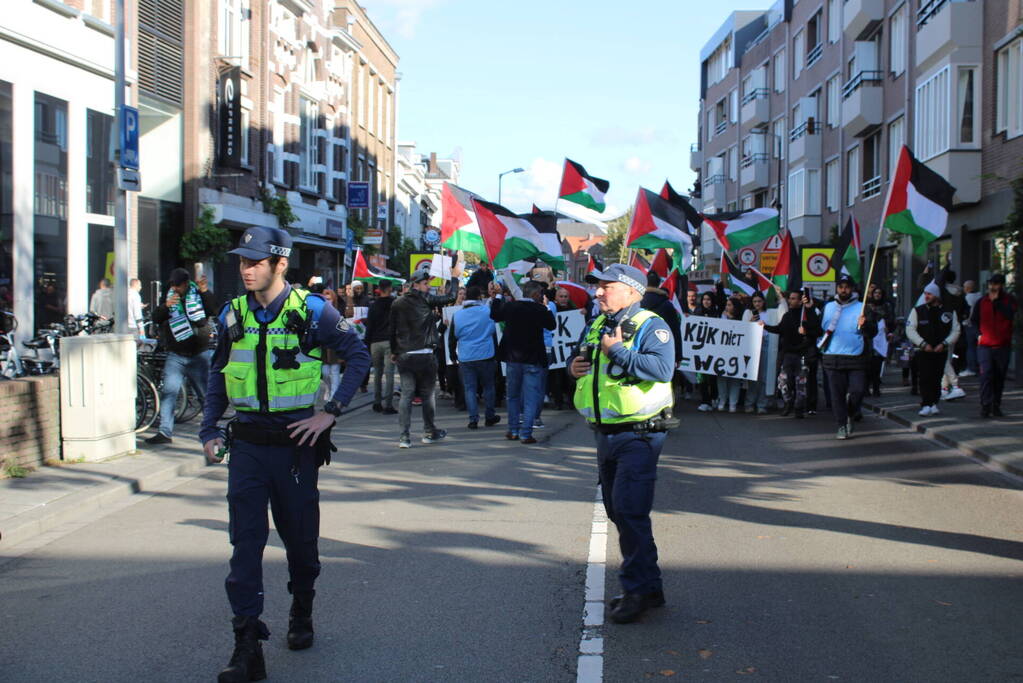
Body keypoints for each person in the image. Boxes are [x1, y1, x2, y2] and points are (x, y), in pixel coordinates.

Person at [199, 226, 370, 682]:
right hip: (249, 445)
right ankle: (246, 646)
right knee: (245, 546)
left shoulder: (313, 311)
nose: (246, 270)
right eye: (242, 261)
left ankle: (302, 609)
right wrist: (209, 427)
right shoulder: (231, 314)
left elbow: (359, 357)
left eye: (255, 262)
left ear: (280, 264)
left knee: (300, 541)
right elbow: (220, 373)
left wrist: (330, 412)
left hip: (297, 447)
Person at [569, 263, 675, 624]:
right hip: (605, 431)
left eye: (606, 286)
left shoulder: (651, 325)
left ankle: (636, 591)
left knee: (629, 510)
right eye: (597, 287)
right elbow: (580, 357)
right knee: (619, 511)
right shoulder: (598, 322)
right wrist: (574, 367)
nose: (598, 292)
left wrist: (617, 352)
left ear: (632, 291)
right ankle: (651, 585)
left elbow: (662, 369)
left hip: (640, 433)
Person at [389, 265, 460, 448]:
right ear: (417, 284)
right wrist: (454, 278)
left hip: (405, 354)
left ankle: (404, 437)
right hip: (425, 354)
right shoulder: (425, 299)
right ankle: (429, 431)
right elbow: (451, 297)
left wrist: (394, 351)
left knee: (407, 395)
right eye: (426, 283)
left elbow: (392, 330)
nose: (428, 286)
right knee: (428, 395)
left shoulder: (397, 302)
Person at [146, 268, 217, 445]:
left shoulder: (198, 294)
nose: (176, 288)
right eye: (173, 285)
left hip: (198, 354)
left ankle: (212, 429)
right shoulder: (170, 296)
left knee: (204, 395)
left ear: (185, 284)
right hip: (176, 354)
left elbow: (213, 310)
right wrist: (166, 306)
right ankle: (165, 432)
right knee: (169, 392)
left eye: (178, 285)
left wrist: (205, 292)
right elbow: (156, 317)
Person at [490, 280, 556, 444]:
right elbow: (552, 325)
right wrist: (546, 307)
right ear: (535, 294)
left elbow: (494, 315)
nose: (542, 296)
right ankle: (526, 433)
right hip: (532, 359)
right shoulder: (539, 309)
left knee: (512, 395)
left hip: (513, 359)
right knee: (531, 396)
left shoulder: (511, 307)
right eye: (540, 293)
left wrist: (498, 295)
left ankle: (513, 430)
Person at [820, 275, 877, 440]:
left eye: (847, 287)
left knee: (858, 391)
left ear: (852, 289)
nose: (843, 290)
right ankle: (841, 425)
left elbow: (872, 332)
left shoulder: (862, 307)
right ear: (837, 288)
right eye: (841, 287)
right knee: (837, 395)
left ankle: (851, 413)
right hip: (832, 357)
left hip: (856, 358)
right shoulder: (828, 307)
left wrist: (865, 323)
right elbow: (817, 329)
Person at [762, 289, 820, 418]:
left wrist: (806, 332)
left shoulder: (807, 315)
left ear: (800, 301)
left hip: (802, 354)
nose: (790, 301)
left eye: (794, 298)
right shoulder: (787, 316)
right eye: (790, 298)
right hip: (788, 355)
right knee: (783, 382)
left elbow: (817, 331)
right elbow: (779, 329)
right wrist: (765, 326)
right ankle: (788, 403)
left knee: (801, 383)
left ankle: (799, 408)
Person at [449, 285, 500, 429]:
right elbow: (493, 332)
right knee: (489, 387)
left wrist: (453, 354)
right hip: (486, 355)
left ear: (466, 297)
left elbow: (453, 337)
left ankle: (473, 419)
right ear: (479, 297)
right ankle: (490, 416)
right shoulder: (487, 311)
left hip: (466, 356)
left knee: (469, 389)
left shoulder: (457, 315)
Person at [906, 282, 960, 416]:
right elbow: (910, 329)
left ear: (936, 295)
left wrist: (944, 343)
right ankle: (925, 403)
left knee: (937, 377)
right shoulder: (918, 310)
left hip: (940, 350)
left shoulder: (949, 312)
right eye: (925, 293)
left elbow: (956, 330)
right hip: (923, 350)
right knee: (924, 377)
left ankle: (934, 403)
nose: (926, 296)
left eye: (929, 294)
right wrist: (922, 343)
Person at [970, 273, 1018, 418]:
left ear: (1002, 285)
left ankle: (996, 405)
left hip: (1002, 346)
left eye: (996, 284)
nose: (993, 287)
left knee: (999, 377)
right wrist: (978, 335)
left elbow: (1011, 315)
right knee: (986, 375)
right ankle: (985, 405)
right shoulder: (982, 301)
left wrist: (997, 303)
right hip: (985, 346)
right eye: (991, 284)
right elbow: (974, 321)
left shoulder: (1009, 300)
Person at [742, 287, 786, 414]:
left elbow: (783, 313)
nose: (757, 304)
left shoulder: (771, 313)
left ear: (764, 302)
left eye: (759, 301)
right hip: (752, 346)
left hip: (766, 345)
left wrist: (780, 297)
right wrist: (750, 322)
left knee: (765, 376)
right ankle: (749, 403)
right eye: (755, 301)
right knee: (752, 376)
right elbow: (741, 330)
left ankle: (762, 404)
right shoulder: (748, 313)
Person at [364, 279, 397, 414]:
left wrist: (367, 342)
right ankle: (388, 405)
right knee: (389, 375)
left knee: (377, 373)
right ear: (389, 288)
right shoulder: (394, 304)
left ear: (379, 288)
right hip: (389, 342)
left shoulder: (373, 305)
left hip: (375, 343)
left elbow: (369, 325)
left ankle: (377, 403)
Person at [960, 279, 982, 377]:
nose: (963, 289)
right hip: (979, 324)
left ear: (968, 288)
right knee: (978, 346)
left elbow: (968, 312)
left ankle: (971, 368)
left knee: (970, 347)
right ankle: (978, 366)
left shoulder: (968, 298)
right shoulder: (980, 296)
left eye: (964, 287)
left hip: (970, 324)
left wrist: (965, 322)